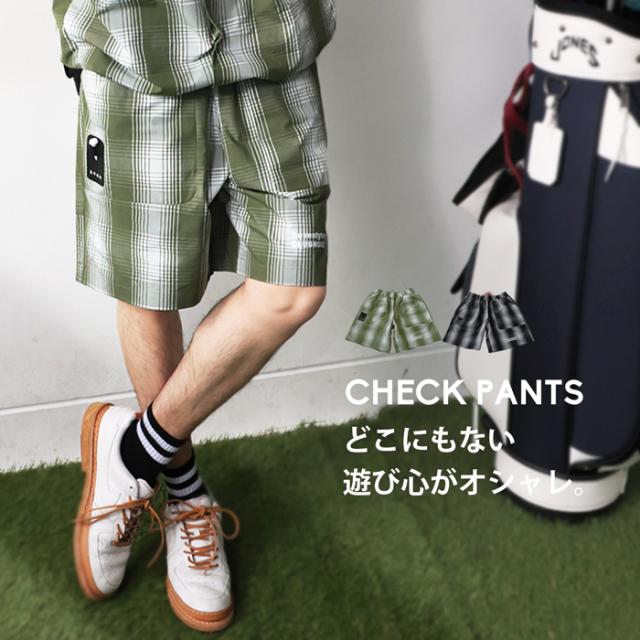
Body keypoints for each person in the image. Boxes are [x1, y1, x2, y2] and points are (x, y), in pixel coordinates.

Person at [53, 0, 336, 632]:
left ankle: (133, 456)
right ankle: (184, 495)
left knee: (292, 291)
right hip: (137, 42)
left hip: (271, 37)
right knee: (150, 287)